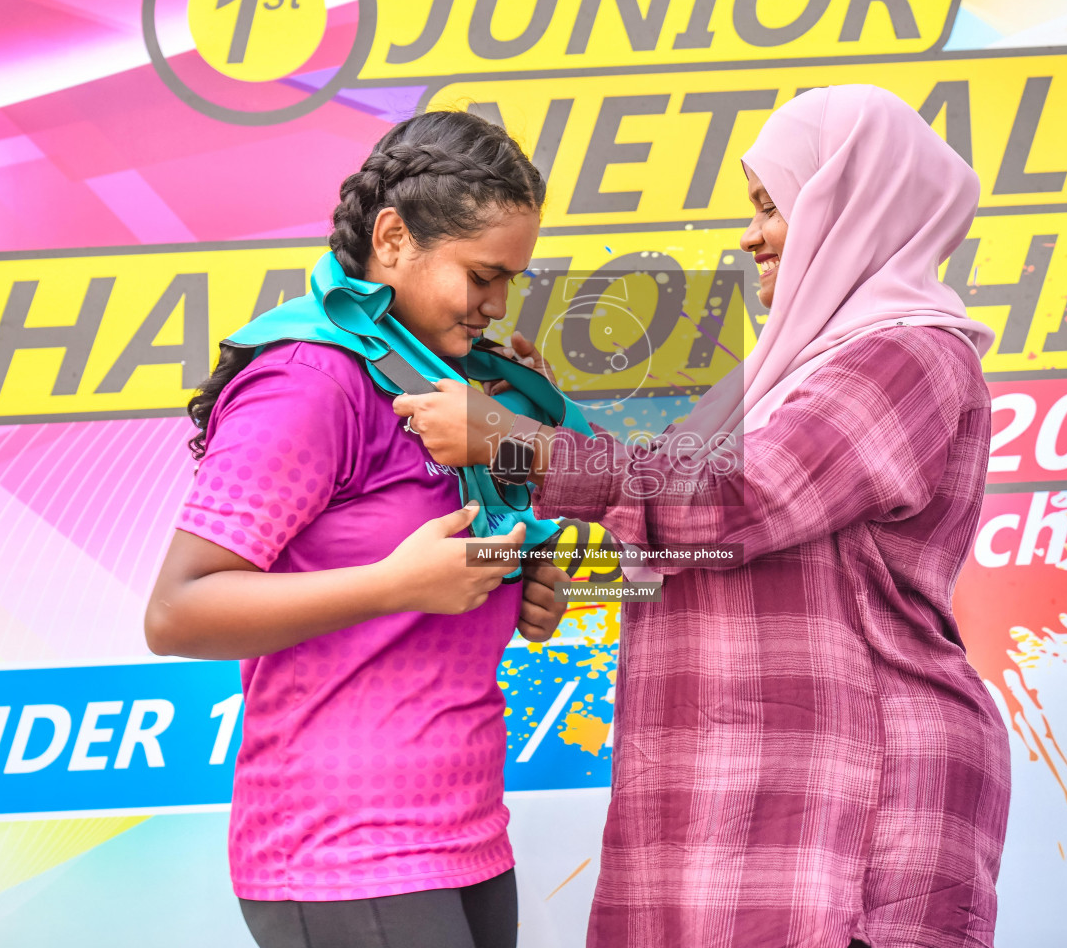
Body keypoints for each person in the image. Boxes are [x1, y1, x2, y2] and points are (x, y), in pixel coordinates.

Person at [392, 85, 1014, 948]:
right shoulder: (781, 378)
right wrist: (550, 542)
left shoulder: (909, 354)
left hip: (851, 802)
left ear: (849, 206)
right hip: (730, 793)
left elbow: (737, 500)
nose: (749, 234)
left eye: (772, 206)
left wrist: (514, 442)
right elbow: (682, 547)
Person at [143, 110, 572, 948]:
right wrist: (396, 585)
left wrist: (519, 579)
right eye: (483, 273)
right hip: (344, 851)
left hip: (468, 835)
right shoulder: (311, 380)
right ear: (392, 238)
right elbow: (177, 611)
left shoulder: (457, 388)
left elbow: (439, 570)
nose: (497, 303)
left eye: (511, 280)